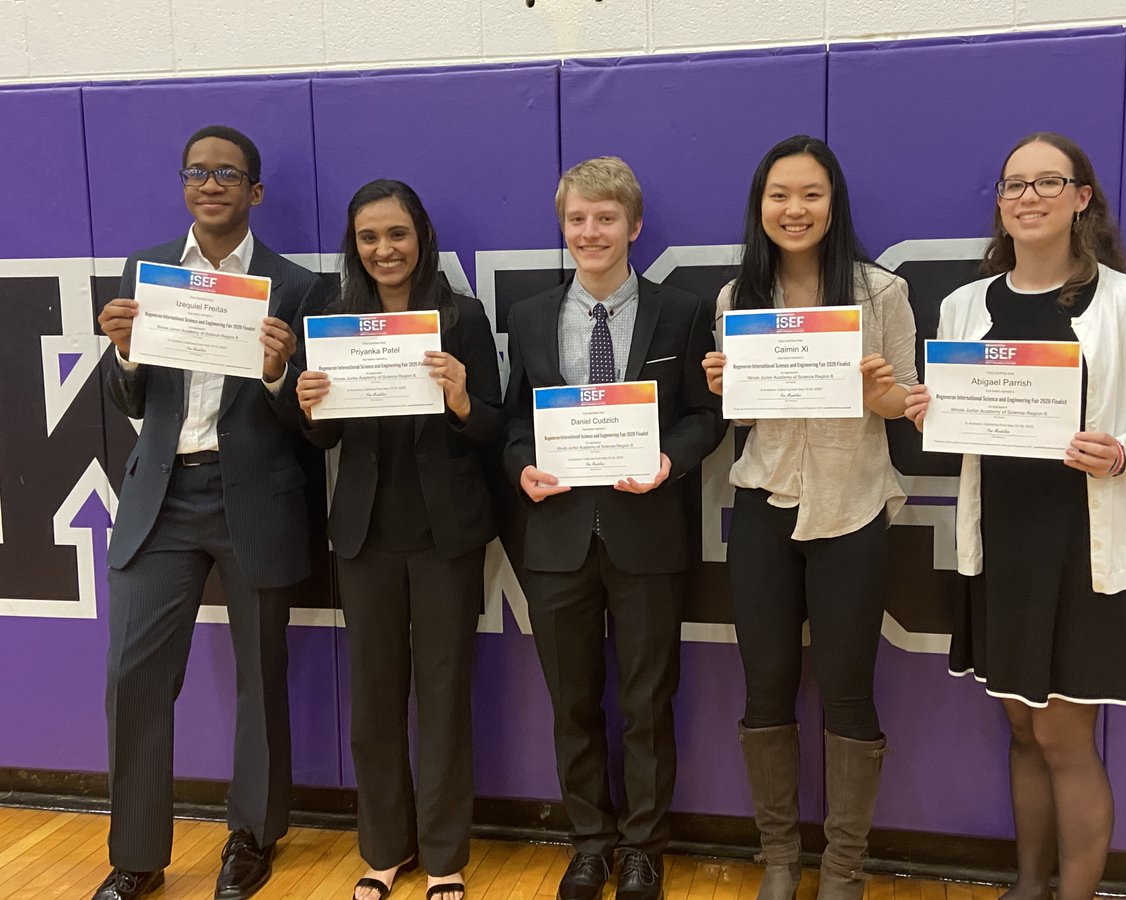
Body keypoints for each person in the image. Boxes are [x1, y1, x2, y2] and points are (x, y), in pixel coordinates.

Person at [904, 132, 1126, 900]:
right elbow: (957, 421)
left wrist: (1125, 451)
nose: (1028, 197)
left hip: (1083, 548)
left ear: (1082, 198)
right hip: (1000, 545)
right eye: (1013, 185)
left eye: (1047, 183)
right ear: (1000, 205)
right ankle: (1028, 887)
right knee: (1024, 727)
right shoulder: (966, 304)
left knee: (1066, 737)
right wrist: (923, 412)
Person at [94, 125, 328, 900]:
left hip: (253, 494)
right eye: (197, 171)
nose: (211, 183)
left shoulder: (297, 286)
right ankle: (135, 857)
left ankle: (250, 840)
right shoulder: (148, 269)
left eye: (228, 173)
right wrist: (124, 352)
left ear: (254, 192)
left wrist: (274, 374)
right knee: (133, 674)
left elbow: (314, 425)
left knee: (261, 678)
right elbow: (132, 397)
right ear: (184, 185)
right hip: (161, 494)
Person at [503, 157, 725, 900]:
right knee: (571, 703)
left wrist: (672, 459)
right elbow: (512, 423)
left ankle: (643, 848)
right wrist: (522, 468)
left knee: (645, 701)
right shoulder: (533, 316)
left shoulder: (682, 310)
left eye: (605, 218)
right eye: (577, 219)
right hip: (558, 537)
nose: (590, 232)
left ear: (634, 226)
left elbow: (706, 414)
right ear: (563, 227)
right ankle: (589, 843)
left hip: (647, 533)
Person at [701, 135, 915, 900]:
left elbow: (904, 407)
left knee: (849, 687)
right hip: (763, 503)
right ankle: (781, 862)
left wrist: (881, 389)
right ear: (760, 207)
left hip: (852, 504)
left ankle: (845, 872)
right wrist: (722, 383)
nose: (795, 209)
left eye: (811, 194)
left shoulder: (880, 292)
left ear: (834, 202)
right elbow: (739, 415)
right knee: (767, 686)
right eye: (779, 195)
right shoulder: (737, 299)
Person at [297, 179, 502, 900]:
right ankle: (385, 850)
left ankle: (444, 855)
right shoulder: (333, 319)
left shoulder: (463, 317)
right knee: (375, 695)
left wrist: (462, 399)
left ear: (422, 237)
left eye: (397, 234)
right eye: (368, 237)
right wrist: (308, 406)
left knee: (445, 695)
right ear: (355, 247)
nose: (385, 250)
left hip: (447, 534)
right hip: (365, 534)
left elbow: (494, 428)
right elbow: (317, 438)